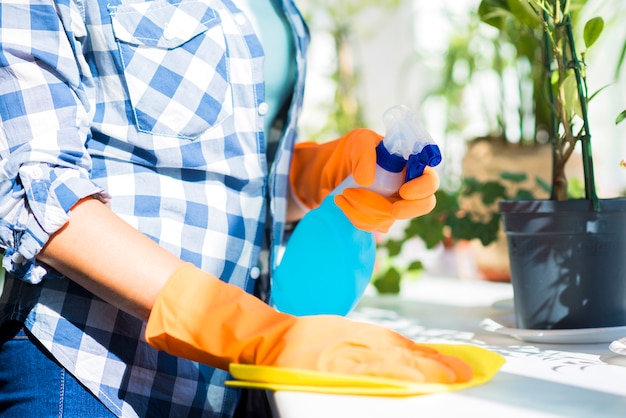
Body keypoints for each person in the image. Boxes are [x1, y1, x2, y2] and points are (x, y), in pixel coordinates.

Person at [0, 0, 468, 417]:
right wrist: (236, 325)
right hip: (91, 371)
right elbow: (37, 193)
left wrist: (320, 174)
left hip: (232, 384)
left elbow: (222, 168)